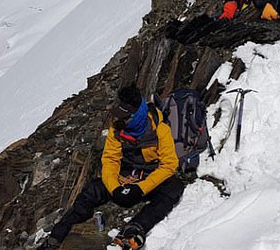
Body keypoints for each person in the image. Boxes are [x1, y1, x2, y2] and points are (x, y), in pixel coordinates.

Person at [37, 86, 184, 250]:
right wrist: (115, 188)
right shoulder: (117, 129)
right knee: (92, 189)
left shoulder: (160, 129)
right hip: (125, 177)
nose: (121, 121)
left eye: (126, 117)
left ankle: (136, 228)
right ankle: (56, 236)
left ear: (136, 116)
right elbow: (110, 160)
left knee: (174, 188)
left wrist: (140, 188)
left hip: (149, 178)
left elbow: (169, 164)